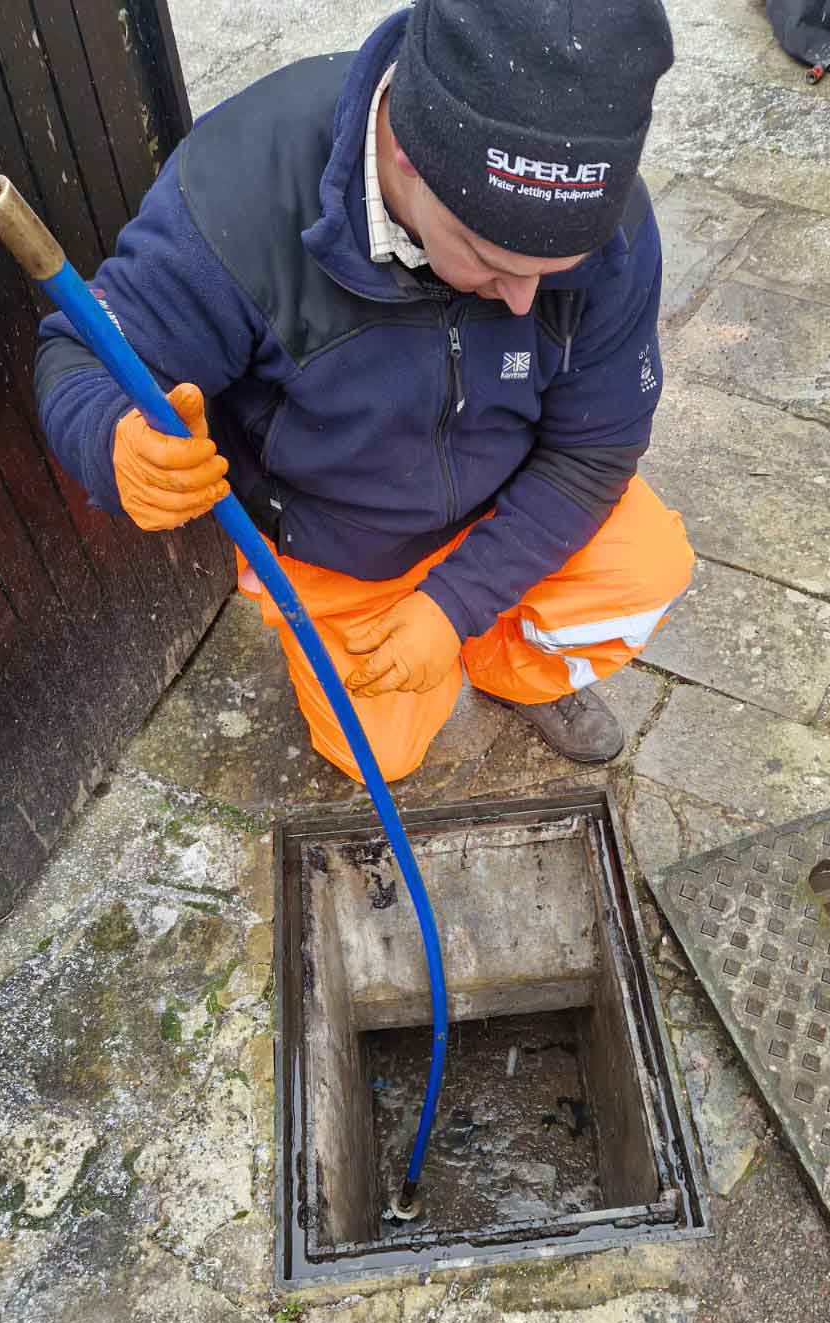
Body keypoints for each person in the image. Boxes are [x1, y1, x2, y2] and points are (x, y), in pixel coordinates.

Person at [36, 0, 693, 783]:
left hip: (511, 500)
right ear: (410, 157)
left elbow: (594, 451)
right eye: (490, 258)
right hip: (345, 545)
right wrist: (116, 446)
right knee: (375, 756)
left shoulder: (608, 226)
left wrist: (453, 607)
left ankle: (500, 662)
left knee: (647, 571)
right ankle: (418, 640)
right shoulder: (236, 197)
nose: (523, 300)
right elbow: (85, 355)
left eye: (550, 274)